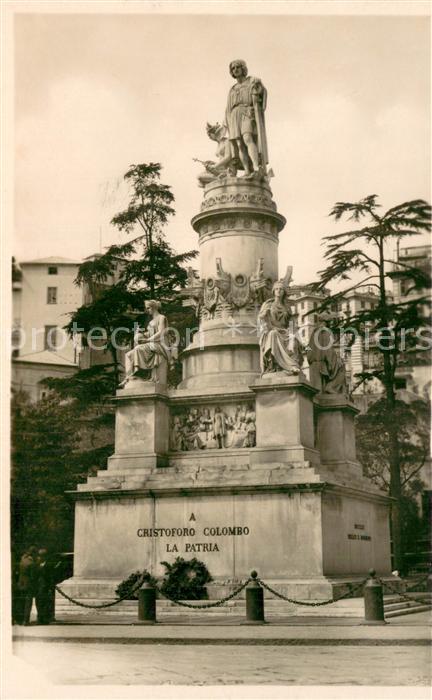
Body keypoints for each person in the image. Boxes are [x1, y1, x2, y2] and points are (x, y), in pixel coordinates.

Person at [225, 59, 268, 178]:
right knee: (240, 144)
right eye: (233, 68)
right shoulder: (233, 88)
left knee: (247, 137)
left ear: (243, 68)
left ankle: (256, 167)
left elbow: (262, 92)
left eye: (238, 67)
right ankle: (247, 171)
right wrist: (226, 121)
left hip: (247, 112)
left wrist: (259, 86)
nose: (235, 70)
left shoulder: (251, 81)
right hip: (234, 115)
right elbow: (228, 107)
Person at [121, 300, 173, 386]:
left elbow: (161, 332)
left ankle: (138, 372)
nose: (147, 310)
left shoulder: (161, 318)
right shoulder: (151, 322)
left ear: (154, 308)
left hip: (158, 344)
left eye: (148, 308)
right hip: (151, 343)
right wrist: (138, 334)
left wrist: (148, 340)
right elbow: (148, 334)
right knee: (128, 355)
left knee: (138, 349)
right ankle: (128, 377)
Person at [258, 281, 303, 375]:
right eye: (277, 289)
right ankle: (274, 365)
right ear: (273, 291)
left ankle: (292, 365)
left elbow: (291, 324)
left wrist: (294, 334)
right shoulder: (268, 304)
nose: (279, 291)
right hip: (272, 330)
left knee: (293, 338)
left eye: (281, 289)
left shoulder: (287, 307)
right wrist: (263, 315)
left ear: (284, 292)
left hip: (285, 331)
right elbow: (261, 320)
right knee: (273, 334)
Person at [16, 545, 38, 625]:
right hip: (29, 585)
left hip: (21, 584)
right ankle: (26, 620)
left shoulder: (23, 560)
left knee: (21, 602)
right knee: (28, 603)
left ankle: (19, 620)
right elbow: (33, 577)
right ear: (34, 554)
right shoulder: (31, 563)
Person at [35, 548, 56, 625]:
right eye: (39, 556)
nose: (39, 557)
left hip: (46, 587)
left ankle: (45, 619)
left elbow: (51, 577)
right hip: (38, 587)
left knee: (45, 603)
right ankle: (39, 618)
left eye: (41, 556)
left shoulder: (49, 565)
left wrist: (50, 587)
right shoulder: (37, 564)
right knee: (39, 603)